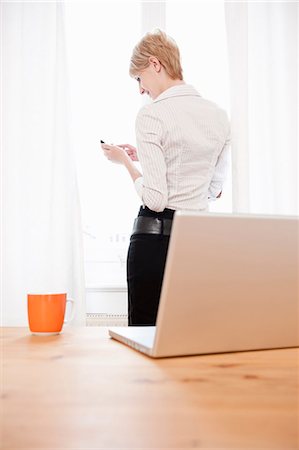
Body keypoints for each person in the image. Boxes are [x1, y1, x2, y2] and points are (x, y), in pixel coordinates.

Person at [101, 29, 230, 326]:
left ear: (155, 64)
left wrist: (126, 164)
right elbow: (213, 190)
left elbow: (156, 199)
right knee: (191, 335)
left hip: (155, 243)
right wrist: (147, 160)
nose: (140, 89)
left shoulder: (151, 115)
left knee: (146, 340)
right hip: (198, 242)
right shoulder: (218, 116)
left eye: (138, 78)